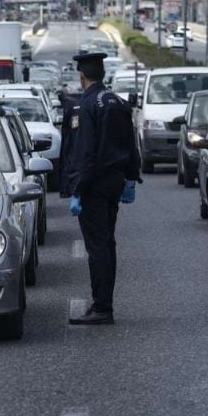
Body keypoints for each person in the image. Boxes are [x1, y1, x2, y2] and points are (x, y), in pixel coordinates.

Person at [63, 52, 141, 325]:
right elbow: (131, 144)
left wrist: (77, 189)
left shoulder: (86, 105)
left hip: (94, 184)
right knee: (107, 244)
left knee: (97, 248)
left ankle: (101, 308)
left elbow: (85, 152)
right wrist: (132, 176)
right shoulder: (117, 102)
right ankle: (103, 304)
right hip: (115, 181)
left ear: (81, 76)